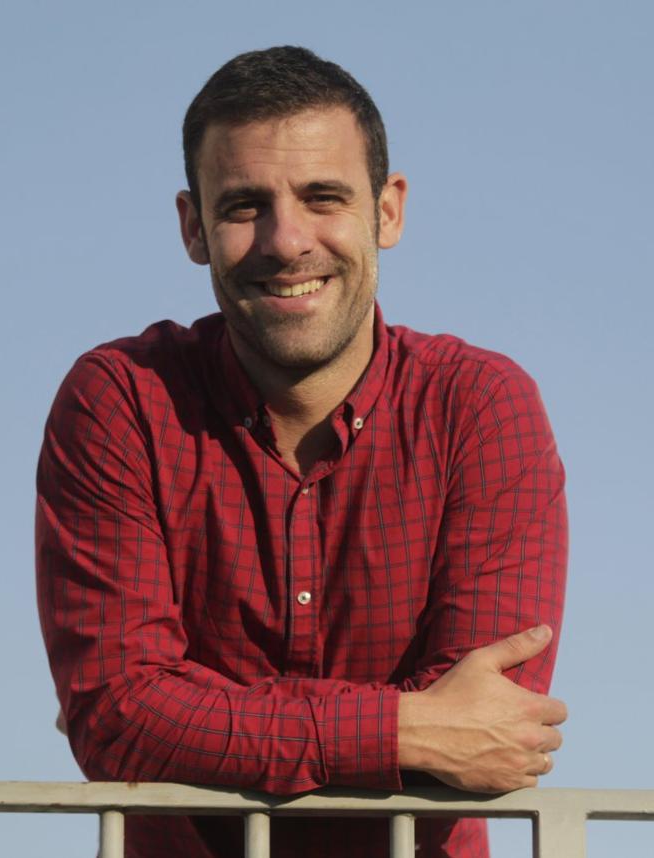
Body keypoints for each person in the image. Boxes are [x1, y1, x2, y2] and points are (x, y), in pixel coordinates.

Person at [35, 45, 568, 858]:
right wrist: (401, 727)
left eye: (323, 197)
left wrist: (198, 719)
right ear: (193, 227)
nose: (286, 242)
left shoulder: (481, 409)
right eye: (245, 205)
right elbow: (115, 716)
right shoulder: (121, 403)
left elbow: (489, 731)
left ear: (388, 211)